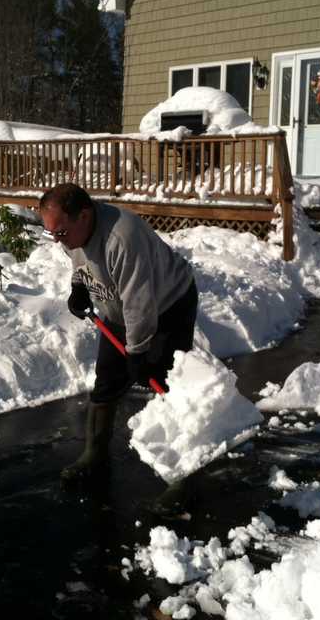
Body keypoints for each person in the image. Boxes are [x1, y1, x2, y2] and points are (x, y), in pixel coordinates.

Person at [39, 183, 198, 483]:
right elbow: (81, 257)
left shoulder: (123, 239)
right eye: (51, 233)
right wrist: (79, 286)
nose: (57, 240)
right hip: (119, 307)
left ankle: (184, 473)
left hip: (168, 305)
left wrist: (138, 353)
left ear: (84, 216)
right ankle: (94, 454)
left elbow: (140, 305)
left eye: (59, 233)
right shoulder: (71, 231)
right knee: (107, 380)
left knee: (166, 384)